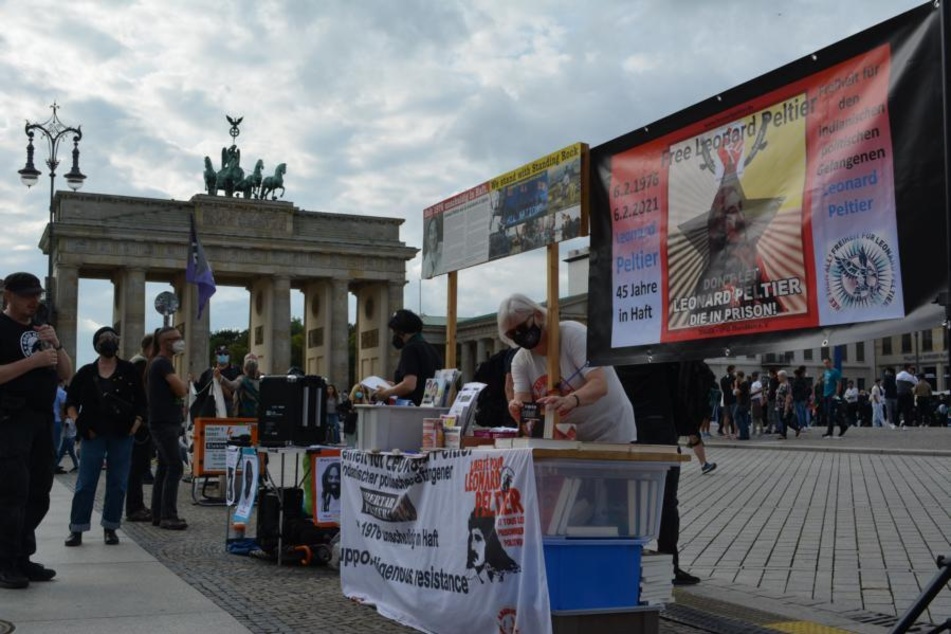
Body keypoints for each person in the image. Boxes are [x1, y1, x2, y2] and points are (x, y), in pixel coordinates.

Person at [0, 272, 73, 589]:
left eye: (37, 295)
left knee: (38, 491)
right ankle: (4, 563)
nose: (34, 301)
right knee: (12, 493)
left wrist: (56, 345)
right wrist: (34, 361)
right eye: (27, 295)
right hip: (11, 419)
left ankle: (21, 556)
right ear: (7, 294)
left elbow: (65, 373)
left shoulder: (40, 330)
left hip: (44, 420)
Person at [500, 293, 636, 443]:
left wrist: (571, 400)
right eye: (512, 334)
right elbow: (528, 414)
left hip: (610, 431)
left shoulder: (573, 334)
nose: (519, 335)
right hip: (569, 439)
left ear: (537, 316)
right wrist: (517, 412)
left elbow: (599, 384)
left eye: (522, 327)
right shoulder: (520, 361)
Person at [64, 327, 147, 547]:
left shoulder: (129, 371)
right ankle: (77, 528)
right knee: (85, 483)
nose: (108, 342)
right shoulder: (85, 372)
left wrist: (136, 424)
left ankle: (110, 527)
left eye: (112, 339)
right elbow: (70, 401)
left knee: (118, 484)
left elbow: (142, 402)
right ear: (96, 344)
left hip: (122, 434)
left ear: (117, 343)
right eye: (104, 339)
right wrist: (78, 422)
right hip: (92, 434)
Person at [147, 326, 190, 530]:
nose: (180, 341)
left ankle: (158, 514)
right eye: (176, 339)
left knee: (164, 468)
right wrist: (184, 385)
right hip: (164, 424)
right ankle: (168, 516)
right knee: (175, 466)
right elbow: (181, 390)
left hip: (163, 422)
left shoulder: (159, 363)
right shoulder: (163, 364)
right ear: (165, 343)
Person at [372, 309, 442, 406]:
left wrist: (385, 393)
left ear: (401, 331)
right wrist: (394, 386)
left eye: (394, 331)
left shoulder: (410, 349)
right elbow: (421, 382)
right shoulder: (431, 349)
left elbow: (409, 385)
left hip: (411, 410)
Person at [126, 334, 154, 522]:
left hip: (139, 422)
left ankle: (138, 505)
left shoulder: (136, 361)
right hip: (140, 424)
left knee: (138, 468)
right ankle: (134, 507)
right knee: (137, 468)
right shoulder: (141, 364)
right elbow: (142, 393)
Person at [192, 345, 241, 419]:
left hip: (230, 409)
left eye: (225, 354)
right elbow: (200, 392)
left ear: (229, 356)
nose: (223, 355)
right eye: (220, 354)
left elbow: (236, 393)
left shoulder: (236, 370)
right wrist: (193, 382)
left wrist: (220, 382)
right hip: (211, 409)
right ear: (216, 356)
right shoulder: (208, 373)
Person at [218, 353, 260, 419]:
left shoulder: (242, 379)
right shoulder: (263, 380)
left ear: (244, 368)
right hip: (258, 417)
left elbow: (232, 386)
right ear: (257, 368)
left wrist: (220, 378)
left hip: (242, 417)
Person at [821, 357, 846, 438]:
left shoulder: (835, 372)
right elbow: (825, 382)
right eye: (824, 363)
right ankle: (842, 425)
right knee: (827, 413)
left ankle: (829, 432)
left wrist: (836, 394)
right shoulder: (825, 372)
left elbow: (839, 384)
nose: (825, 364)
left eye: (827, 362)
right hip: (825, 394)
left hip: (832, 395)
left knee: (830, 413)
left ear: (830, 362)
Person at [775, 370, 800, 439]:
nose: (778, 378)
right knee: (785, 420)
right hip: (779, 405)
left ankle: (784, 434)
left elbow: (788, 396)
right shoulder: (780, 385)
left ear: (783, 377)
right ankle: (796, 428)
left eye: (779, 376)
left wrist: (786, 407)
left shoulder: (787, 385)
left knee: (784, 419)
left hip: (785, 405)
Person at [52, 381, 67, 473]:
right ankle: (54, 464)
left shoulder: (49, 390)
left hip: (48, 420)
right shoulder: (62, 393)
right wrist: (63, 422)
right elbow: (63, 410)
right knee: (56, 444)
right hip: (57, 420)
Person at [895, 364, 917, 428]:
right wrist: (912, 376)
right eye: (910, 368)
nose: (911, 370)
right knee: (906, 409)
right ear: (908, 368)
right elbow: (915, 383)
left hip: (899, 393)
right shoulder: (909, 376)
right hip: (907, 394)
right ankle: (906, 423)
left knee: (898, 408)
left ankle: (896, 422)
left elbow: (896, 384)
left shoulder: (898, 375)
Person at [422, 213, 443, 279]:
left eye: (435, 231)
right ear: (427, 236)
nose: (433, 237)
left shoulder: (444, 249)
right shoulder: (425, 261)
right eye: (431, 232)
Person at [718, 365, 736, 437]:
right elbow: (734, 388)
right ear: (731, 370)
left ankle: (727, 433)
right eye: (734, 370)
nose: (735, 371)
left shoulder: (722, 379)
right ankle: (735, 433)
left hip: (726, 399)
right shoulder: (734, 378)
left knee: (726, 416)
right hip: (733, 399)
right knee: (734, 416)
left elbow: (723, 389)